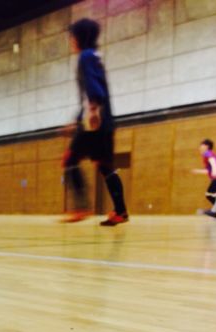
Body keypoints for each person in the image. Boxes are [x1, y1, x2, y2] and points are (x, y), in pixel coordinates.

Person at [63, 18, 128, 226]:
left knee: (69, 159)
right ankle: (121, 212)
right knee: (106, 166)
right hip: (105, 121)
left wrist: (91, 112)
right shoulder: (95, 56)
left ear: (79, 37)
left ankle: (82, 206)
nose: (71, 41)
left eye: (72, 36)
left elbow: (94, 90)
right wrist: (77, 119)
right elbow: (95, 92)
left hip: (94, 122)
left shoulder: (85, 56)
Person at [192, 139, 216, 219]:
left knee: (211, 194)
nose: (200, 147)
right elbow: (208, 171)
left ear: (207, 146)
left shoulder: (207, 153)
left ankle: (214, 211)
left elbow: (212, 160)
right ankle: (215, 210)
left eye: (202, 145)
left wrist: (215, 170)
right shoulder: (208, 154)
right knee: (210, 195)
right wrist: (198, 171)